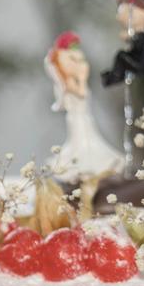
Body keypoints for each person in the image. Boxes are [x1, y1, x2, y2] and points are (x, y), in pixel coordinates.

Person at [45, 31, 124, 177]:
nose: (83, 64)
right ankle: (83, 170)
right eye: (75, 60)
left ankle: (93, 169)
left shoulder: (73, 81)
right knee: (82, 146)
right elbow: (82, 93)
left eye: (82, 60)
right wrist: (82, 77)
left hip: (84, 118)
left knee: (91, 143)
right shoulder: (70, 83)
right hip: (78, 119)